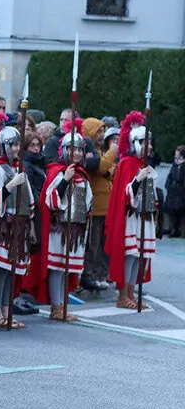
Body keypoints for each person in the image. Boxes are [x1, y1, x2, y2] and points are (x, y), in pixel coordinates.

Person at [25, 130, 92, 320]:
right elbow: (50, 200)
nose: (77, 153)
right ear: (63, 150)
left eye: (80, 149)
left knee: (66, 269)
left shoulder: (82, 175)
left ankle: (62, 305)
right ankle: (56, 307)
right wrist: (65, 180)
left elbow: (86, 202)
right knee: (57, 267)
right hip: (59, 229)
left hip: (75, 230)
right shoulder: (57, 172)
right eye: (73, 149)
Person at [0, 112, 34, 329]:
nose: (14, 150)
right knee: (1, 269)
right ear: (3, 146)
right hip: (3, 226)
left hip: (19, 226)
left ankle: (8, 310)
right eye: (11, 146)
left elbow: (28, 199)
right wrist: (10, 186)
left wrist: (29, 221)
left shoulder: (19, 167)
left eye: (17, 145)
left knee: (13, 269)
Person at [105, 111, 156, 309]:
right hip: (130, 218)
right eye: (145, 143)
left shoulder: (144, 164)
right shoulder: (127, 163)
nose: (149, 147)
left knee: (139, 255)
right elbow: (125, 194)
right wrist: (138, 179)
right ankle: (123, 295)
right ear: (136, 143)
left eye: (149, 143)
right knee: (130, 255)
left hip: (143, 217)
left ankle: (132, 294)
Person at [81, 119, 117, 290]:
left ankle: (103, 274)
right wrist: (112, 153)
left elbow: (110, 170)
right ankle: (91, 275)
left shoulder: (100, 151)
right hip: (95, 207)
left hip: (106, 207)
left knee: (104, 244)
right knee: (93, 244)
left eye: (103, 131)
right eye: (98, 132)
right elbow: (101, 168)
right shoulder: (89, 150)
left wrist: (108, 168)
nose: (102, 135)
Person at [165, 146, 185, 238]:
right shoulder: (174, 164)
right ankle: (173, 229)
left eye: (177, 153)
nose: (175, 155)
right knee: (172, 210)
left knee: (181, 210)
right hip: (173, 191)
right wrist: (168, 186)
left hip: (181, 190)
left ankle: (181, 230)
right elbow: (170, 176)